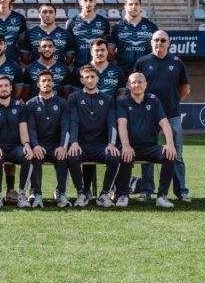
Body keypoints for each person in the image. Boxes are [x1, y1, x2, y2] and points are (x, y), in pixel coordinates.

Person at [135, 30, 192, 202]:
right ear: (151, 42)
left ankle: (181, 191)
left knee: (177, 154)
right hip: (147, 117)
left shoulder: (177, 62)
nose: (159, 43)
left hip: (171, 115)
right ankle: (146, 190)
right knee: (147, 154)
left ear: (169, 43)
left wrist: (173, 102)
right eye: (156, 40)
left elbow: (185, 89)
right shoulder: (142, 62)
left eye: (162, 40)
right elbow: (134, 87)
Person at [115, 71, 179, 209]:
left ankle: (162, 196)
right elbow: (122, 124)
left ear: (146, 84)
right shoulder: (122, 101)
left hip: (150, 147)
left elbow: (165, 123)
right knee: (125, 155)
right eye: (133, 82)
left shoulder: (154, 100)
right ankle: (122, 195)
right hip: (130, 147)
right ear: (128, 85)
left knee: (170, 155)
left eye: (140, 82)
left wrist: (170, 144)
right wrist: (125, 145)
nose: (137, 85)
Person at [26, 69, 82, 208]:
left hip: (56, 145)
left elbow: (66, 127)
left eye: (49, 80)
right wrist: (35, 145)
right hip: (39, 145)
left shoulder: (62, 103)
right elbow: (30, 128)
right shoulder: (31, 104)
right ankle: (37, 195)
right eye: (43, 81)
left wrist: (63, 146)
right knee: (36, 158)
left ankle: (62, 195)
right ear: (38, 84)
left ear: (54, 84)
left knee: (62, 157)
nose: (47, 83)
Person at [67, 64, 121, 207]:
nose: (90, 80)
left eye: (92, 77)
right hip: (81, 144)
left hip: (100, 145)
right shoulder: (74, 97)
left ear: (98, 78)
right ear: (82, 80)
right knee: (72, 156)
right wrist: (74, 142)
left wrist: (111, 144)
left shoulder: (108, 99)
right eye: (87, 77)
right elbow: (73, 121)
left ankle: (104, 194)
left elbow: (112, 124)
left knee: (115, 156)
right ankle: (81, 194)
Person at [0, 74, 36, 209]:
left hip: (15, 146)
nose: (3, 88)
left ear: (11, 88)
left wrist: (27, 145)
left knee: (27, 155)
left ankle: (22, 195)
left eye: (6, 85)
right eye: (0, 86)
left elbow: (23, 130)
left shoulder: (20, 106)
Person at [109, 0, 158, 81]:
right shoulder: (117, 27)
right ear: (125, 7)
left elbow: (157, 49)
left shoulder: (151, 26)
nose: (133, 6)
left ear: (140, 7)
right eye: (130, 4)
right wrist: (120, 59)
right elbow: (110, 50)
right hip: (124, 71)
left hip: (146, 70)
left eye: (136, 4)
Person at [65, 0, 111, 67]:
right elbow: (69, 48)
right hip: (79, 66)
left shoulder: (104, 22)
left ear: (95, 2)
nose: (88, 3)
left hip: (98, 67)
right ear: (80, 3)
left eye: (91, 0)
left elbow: (106, 46)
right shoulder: (71, 22)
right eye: (85, 1)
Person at [25, 4, 71, 72]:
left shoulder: (65, 34)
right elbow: (25, 57)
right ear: (39, 15)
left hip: (59, 72)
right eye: (44, 12)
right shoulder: (30, 33)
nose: (48, 15)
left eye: (51, 12)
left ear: (55, 15)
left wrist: (59, 66)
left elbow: (69, 57)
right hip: (36, 72)